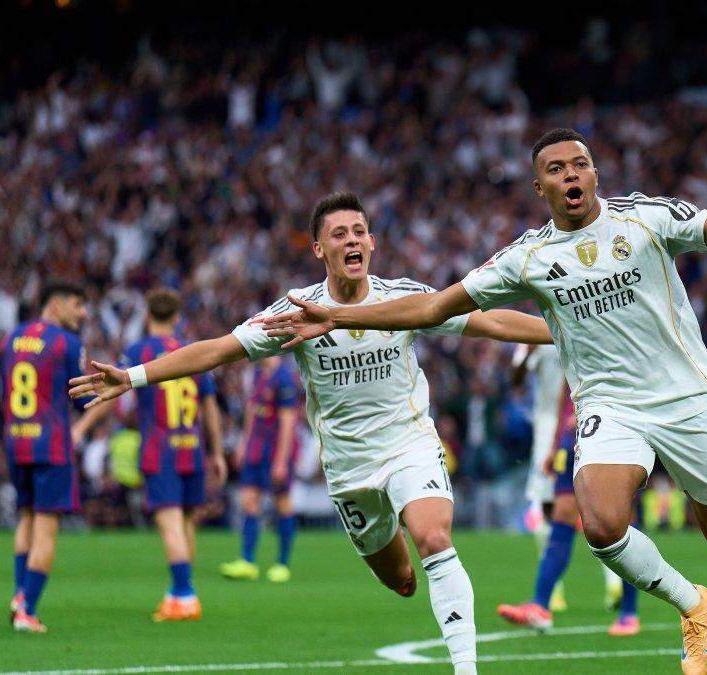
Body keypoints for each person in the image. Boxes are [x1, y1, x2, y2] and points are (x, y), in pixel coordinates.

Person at [256, 129, 707, 675]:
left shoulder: (647, 219)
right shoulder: (528, 257)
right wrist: (337, 319)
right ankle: (692, 602)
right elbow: (432, 305)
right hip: (608, 406)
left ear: (594, 173)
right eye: (554, 169)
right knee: (598, 524)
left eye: (579, 163)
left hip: (684, 395)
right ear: (539, 188)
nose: (570, 174)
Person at [68, 191, 553, 675]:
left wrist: (560, 330)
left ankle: (465, 669)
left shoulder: (405, 297)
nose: (352, 240)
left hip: (410, 445)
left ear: (373, 243)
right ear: (319, 249)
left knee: (433, 538)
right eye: (339, 234)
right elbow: (219, 350)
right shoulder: (297, 311)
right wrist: (133, 377)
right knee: (403, 579)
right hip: (349, 469)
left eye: (359, 232)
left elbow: (488, 320)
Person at [75, 287, 229, 621]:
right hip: (192, 448)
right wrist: (216, 451)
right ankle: (180, 592)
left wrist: (82, 427)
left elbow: (112, 392)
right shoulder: (193, 352)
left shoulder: (139, 350)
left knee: (170, 523)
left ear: (147, 316)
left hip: (161, 452)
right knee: (187, 521)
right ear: (177, 317)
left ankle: (185, 595)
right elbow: (210, 407)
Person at [497, 393, 640, 636]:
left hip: (614, 432)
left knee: (620, 521)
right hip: (572, 435)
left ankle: (629, 612)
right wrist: (554, 445)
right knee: (561, 515)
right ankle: (540, 606)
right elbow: (566, 394)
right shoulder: (569, 355)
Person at [1, 281, 92, 633]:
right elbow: (83, 399)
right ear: (55, 304)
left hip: (17, 440)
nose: (82, 313)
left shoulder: (10, 339)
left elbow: (3, 391)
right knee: (46, 527)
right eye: (77, 304)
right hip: (51, 445)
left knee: (25, 518)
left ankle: (18, 595)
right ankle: (28, 609)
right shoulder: (67, 343)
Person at [220, 355, 302, 582]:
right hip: (256, 447)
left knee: (282, 503)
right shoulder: (256, 373)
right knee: (248, 499)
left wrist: (281, 460)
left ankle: (282, 564)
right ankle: (247, 561)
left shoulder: (284, 378)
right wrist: (243, 444)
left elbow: (288, 421)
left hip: (276, 449)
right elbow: (251, 410)